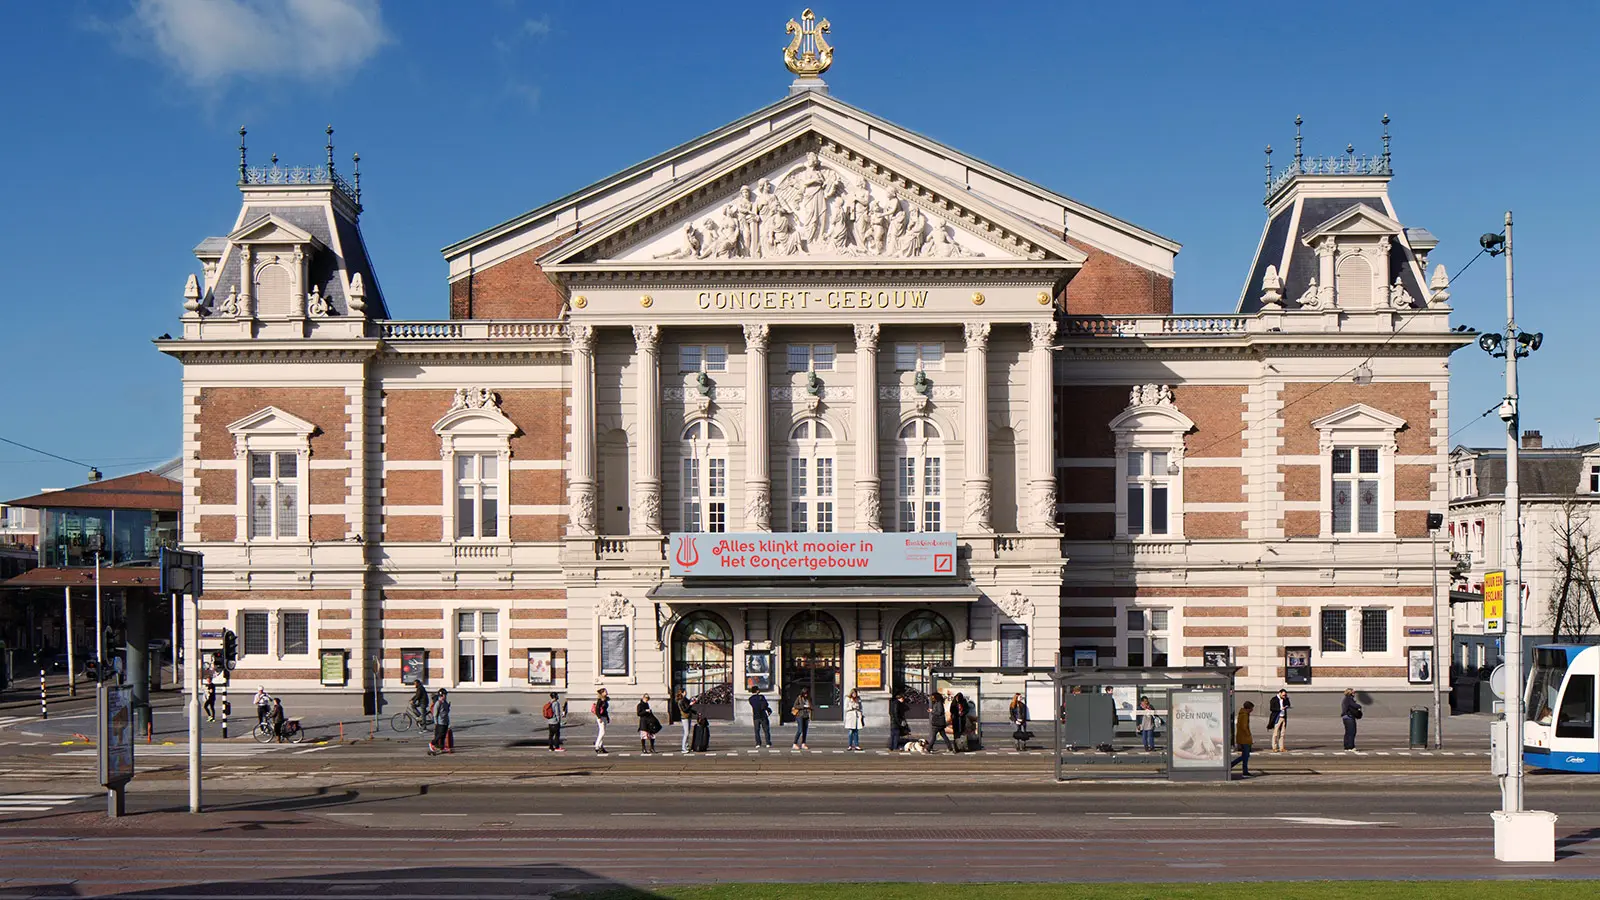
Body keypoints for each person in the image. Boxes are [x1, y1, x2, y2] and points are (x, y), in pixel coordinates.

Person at [1230, 700, 1255, 777]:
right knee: (1245, 756)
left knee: (1245, 755)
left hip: (1241, 737)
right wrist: (1249, 735)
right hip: (1245, 739)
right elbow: (1244, 727)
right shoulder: (1245, 715)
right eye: (1251, 708)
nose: (1252, 710)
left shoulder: (1242, 714)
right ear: (1248, 708)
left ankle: (1245, 771)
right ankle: (1235, 766)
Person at [929, 687, 953, 752]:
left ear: (936, 697)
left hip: (937, 722)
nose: (932, 698)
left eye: (933, 697)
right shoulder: (938, 702)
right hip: (939, 723)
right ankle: (950, 748)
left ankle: (929, 748)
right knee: (944, 736)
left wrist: (932, 711)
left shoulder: (939, 703)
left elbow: (939, 712)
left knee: (933, 736)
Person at [428, 688, 451, 755]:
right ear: (441, 695)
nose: (445, 696)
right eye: (444, 695)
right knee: (440, 734)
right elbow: (435, 713)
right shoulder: (438, 703)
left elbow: (446, 712)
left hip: (445, 721)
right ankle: (432, 743)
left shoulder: (445, 702)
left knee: (443, 735)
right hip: (440, 721)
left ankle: (442, 746)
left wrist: (448, 707)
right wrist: (436, 722)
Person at [1267, 688, 1291, 752]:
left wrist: (1286, 700)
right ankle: (1274, 747)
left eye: (1285, 695)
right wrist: (1280, 708)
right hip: (1277, 717)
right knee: (1275, 733)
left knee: (1282, 733)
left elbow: (1288, 704)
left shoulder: (1285, 699)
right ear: (1279, 693)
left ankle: (1281, 747)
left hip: (1283, 717)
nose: (1284, 696)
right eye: (1283, 695)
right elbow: (1271, 708)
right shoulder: (1274, 699)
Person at [675, 688, 697, 753]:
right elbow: (685, 710)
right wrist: (690, 705)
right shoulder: (680, 701)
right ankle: (683, 748)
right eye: (685, 692)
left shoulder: (685, 699)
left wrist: (695, 712)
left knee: (688, 732)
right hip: (684, 717)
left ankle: (687, 746)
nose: (686, 693)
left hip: (688, 716)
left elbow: (688, 708)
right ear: (682, 693)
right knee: (686, 733)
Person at [593, 688, 611, 755]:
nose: (606, 692)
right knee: (602, 732)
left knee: (603, 732)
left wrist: (607, 718)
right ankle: (597, 746)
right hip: (600, 718)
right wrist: (599, 717)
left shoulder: (605, 700)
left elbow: (605, 710)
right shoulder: (599, 701)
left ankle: (601, 746)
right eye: (605, 691)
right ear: (602, 693)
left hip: (604, 717)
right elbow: (597, 709)